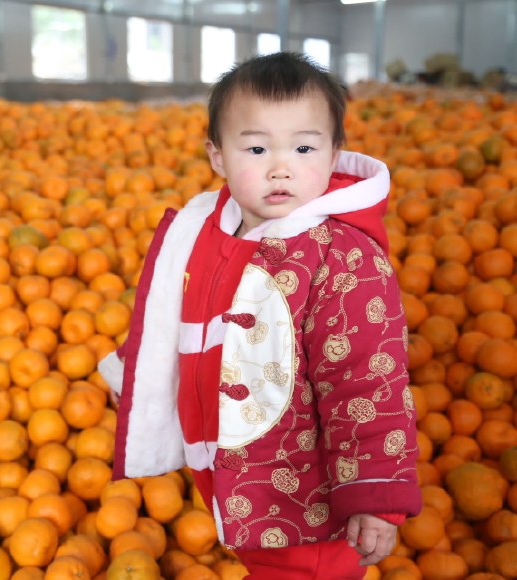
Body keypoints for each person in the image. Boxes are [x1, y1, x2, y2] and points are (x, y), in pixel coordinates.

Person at [98, 52, 422, 579]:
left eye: (303, 147)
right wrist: (135, 371)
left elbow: (366, 382)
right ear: (218, 157)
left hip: (310, 500)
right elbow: (174, 311)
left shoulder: (341, 257)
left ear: (334, 152)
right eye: (255, 147)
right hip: (246, 477)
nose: (280, 166)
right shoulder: (211, 229)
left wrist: (374, 495)